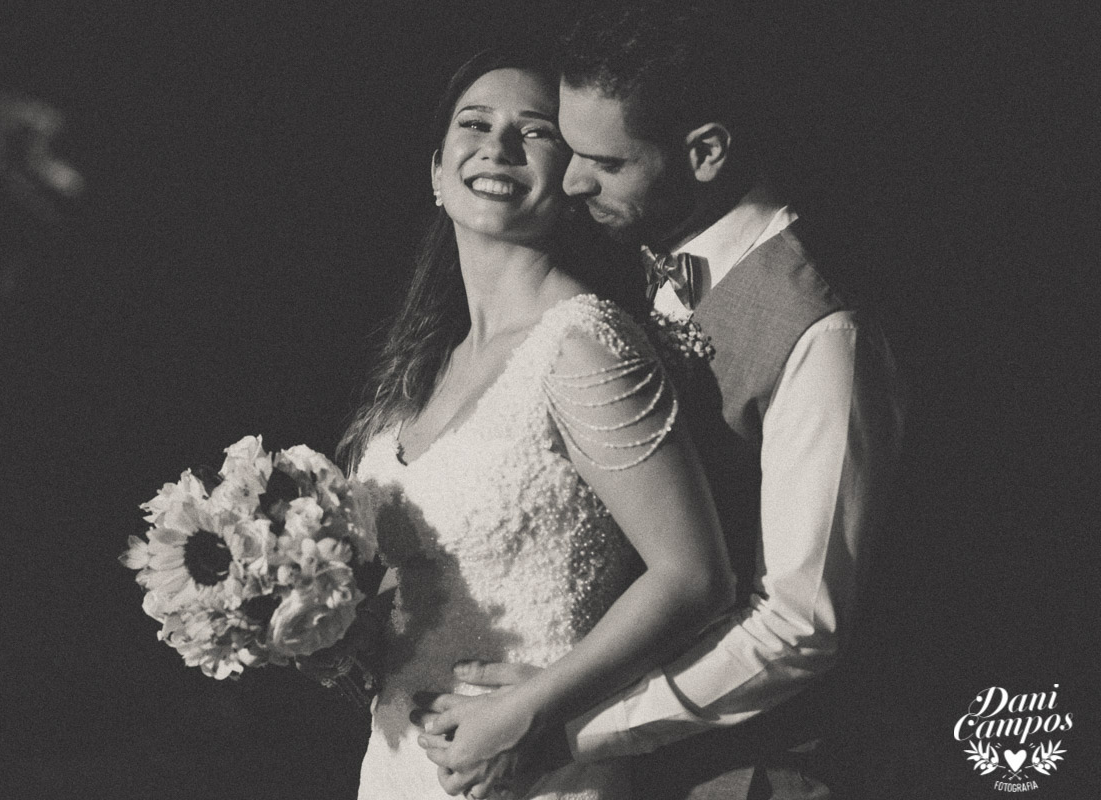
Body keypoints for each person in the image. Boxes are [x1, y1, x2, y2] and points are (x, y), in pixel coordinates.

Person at [413, 5, 906, 799]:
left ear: (705, 152)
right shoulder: (637, 258)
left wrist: (569, 727)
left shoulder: (822, 331)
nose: (573, 182)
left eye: (604, 162)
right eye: (568, 150)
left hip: (759, 771)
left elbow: (800, 627)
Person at [339, 47, 736, 800]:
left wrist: (534, 711)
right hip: (401, 771)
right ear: (435, 170)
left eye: (534, 132)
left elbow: (696, 577)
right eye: (476, 124)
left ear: (572, 177)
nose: (497, 146)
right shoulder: (420, 372)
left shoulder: (581, 344)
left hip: (535, 771)